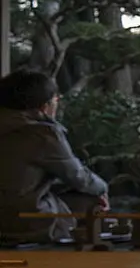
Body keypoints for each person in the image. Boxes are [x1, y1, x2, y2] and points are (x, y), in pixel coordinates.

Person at [0, 69, 109, 245]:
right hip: (24, 220)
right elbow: (78, 177)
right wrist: (103, 188)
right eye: (56, 99)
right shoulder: (42, 134)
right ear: (45, 106)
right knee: (92, 201)